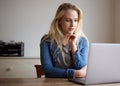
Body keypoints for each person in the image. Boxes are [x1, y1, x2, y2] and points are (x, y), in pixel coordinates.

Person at [40, 2, 89, 78]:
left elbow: (81, 66)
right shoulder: (46, 41)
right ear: (59, 21)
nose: (73, 25)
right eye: (68, 20)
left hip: (76, 83)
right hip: (53, 82)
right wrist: (76, 73)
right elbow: (48, 70)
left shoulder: (83, 41)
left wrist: (73, 46)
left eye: (75, 20)